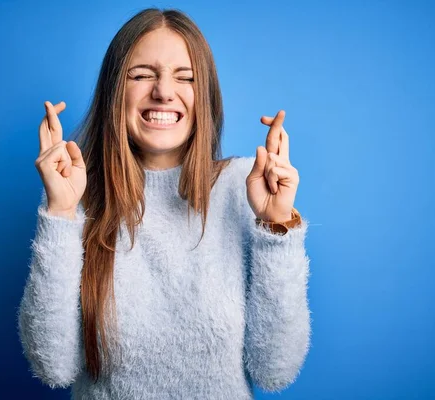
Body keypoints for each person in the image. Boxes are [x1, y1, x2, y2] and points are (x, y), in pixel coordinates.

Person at [17, 7, 311, 400]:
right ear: (113, 91)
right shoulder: (78, 191)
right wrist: (60, 213)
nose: (163, 91)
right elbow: (52, 365)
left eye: (185, 77)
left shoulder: (244, 188)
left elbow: (275, 370)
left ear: (204, 97)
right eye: (141, 75)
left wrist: (276, 225)